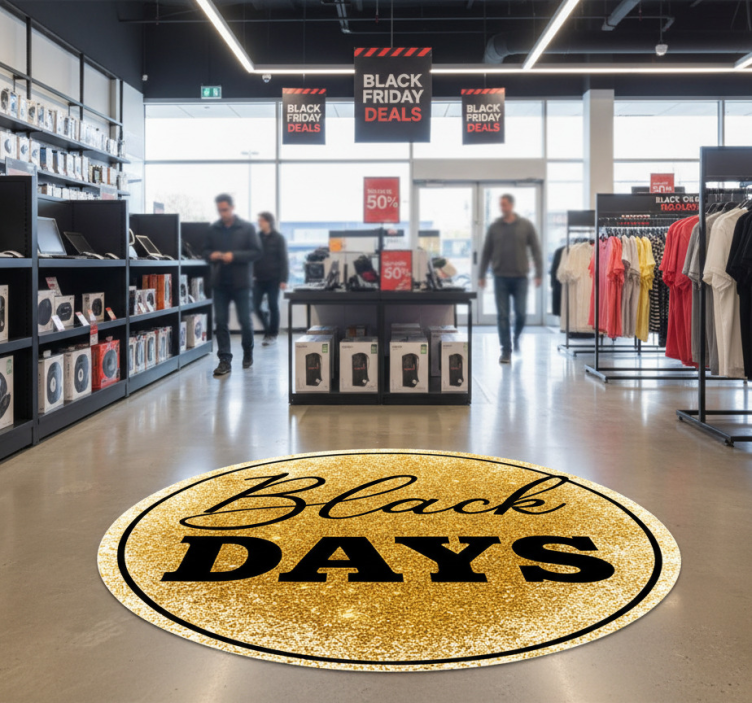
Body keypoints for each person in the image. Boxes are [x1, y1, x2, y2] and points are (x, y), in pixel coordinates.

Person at [479, 193, 543, 365]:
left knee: (521, 313)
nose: (502, 207)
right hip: (500, 277)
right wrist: (481, 275)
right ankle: (505, 350)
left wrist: (539, 273)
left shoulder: (525, 225)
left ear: (512, 205)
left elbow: (536, 250)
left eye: (505, 204)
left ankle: (516, 338)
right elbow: (486, 252)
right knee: (503, 315)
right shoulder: (494, 227)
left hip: (520, 277)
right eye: (501, 205)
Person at [203, 193, 262, 377]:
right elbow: (204, 252)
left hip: (241, 283)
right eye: (220, 210)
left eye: (225, 210)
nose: (223, 213)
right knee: (221, 322)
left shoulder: (247, 228)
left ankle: (248, 351)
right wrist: (211, 255)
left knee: (245, 321)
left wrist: (234, 256)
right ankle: (224, 360)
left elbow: (256, 252)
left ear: (232, 208)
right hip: (220, 283)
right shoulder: (213, 229)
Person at [253, 212, 289, 346]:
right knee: (255, 306)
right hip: (258, 279)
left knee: (273, 305)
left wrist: (284, 279)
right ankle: (268, 330)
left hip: (274, 279)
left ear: (269, 222)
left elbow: (283, 260)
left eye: (262, 220)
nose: (259, 223)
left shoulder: (278, 238)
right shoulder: (257, 237)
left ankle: (272, 334)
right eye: (259, 220)